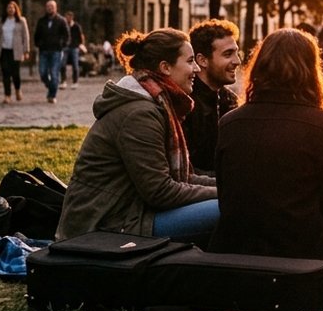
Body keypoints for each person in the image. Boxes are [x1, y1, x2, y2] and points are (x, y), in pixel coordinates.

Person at [208, 29, 323, 293]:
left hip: (241, 262)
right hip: (306, 266)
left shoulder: (229, 122)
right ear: (311, 71)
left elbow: (226, 201)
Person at [57, 28, 218, 241]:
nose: (196, 68)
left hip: (131, 214)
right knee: (228, 208)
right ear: (165, 67)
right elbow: (161, 191)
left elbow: (182, 178)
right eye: (189, 61)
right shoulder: (140, 114)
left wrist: (230, 184)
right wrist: (227, 193)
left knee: (235, 201)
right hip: (107, 226)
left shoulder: (157, 105)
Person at [182, 18, 242, 174]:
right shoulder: (185, 105)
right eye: (228, 54)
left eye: (237, 52)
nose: (237, 61)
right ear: (202, 60)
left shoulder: (230, 100)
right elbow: (185, 170)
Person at [0, 1, 30, 104]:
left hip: (16, 51)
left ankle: (17, 89)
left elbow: (26, 37)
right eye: (8, 8)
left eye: (12, 8)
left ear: (16, 9)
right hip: (4, 50)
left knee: (15, 73)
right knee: (5, 73)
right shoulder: (2, 21)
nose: (10, 10)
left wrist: (26, 51)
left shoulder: (21, 21)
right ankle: (7, 95)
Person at [33, 0, 71, 103]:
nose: (50, 8)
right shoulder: (41, 21)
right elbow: (36, 35)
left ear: (55, 8)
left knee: (54, 74)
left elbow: (67, 35)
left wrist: (63, 45)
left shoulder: (61, 20)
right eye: (48, 6)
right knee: (43, 72)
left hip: (56, 51)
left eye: (52, 6)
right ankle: (51, 87)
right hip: (44, 50)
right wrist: (38, 44)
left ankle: (52, 95)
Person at [63, 11, 85, 88]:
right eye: (66, 17)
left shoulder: (76, 26)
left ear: (72, 17)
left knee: (75, 65)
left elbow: (81, 36)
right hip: (65, 47)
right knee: (63, 64)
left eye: (69, 17)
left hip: (74, 47)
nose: (68, 18)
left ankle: (75, 81)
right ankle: (63, 81)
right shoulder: (64, 26)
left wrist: (80, 44)